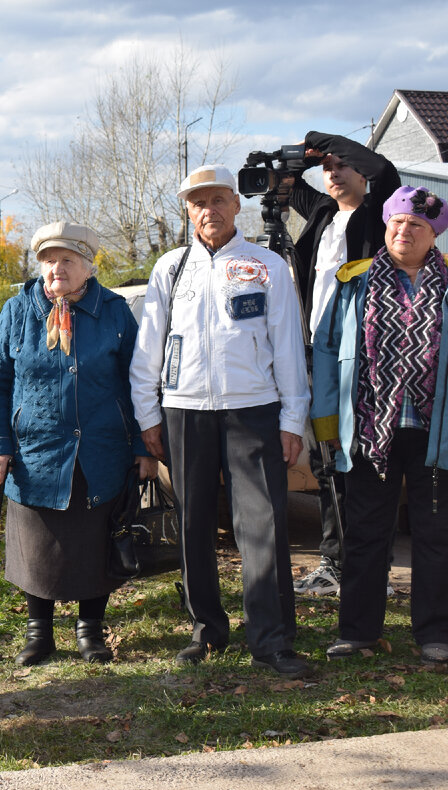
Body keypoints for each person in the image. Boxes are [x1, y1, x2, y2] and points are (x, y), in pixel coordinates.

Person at [129, 165, 312, 677]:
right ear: (188, 211)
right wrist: (149, 413)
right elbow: (149, 348)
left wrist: (292, 419)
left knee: (264, 525)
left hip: (253, 409)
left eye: (218, 200)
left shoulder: (266, 265)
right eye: (198, 202)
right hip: (184, 410)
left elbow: (288, 349)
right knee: (192, 524)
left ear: (236, 204)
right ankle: (207, 629)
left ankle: (272, 638)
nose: (208, 210)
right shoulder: (171, 267)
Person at [0, 222, 154, 665]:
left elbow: (140, 380)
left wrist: (144, 446)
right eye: (49, 260)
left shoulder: (113, 311)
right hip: (34, 451)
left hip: (102, 448)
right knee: (38, 543)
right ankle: (40, 634)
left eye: (68, 260)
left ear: (89, 267)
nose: (57, 269)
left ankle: (90, 630)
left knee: (97, 541)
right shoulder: (18, 311)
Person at [311, 186, 448, 664]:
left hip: (438, 433)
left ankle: (436, 634)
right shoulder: (354, 283)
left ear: (434, 235)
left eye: (418, 226)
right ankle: (358, 631)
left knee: (436, 535)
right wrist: (327, 427)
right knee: (367, 533)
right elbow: (327, 355)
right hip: (371, 430)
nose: (405, 231)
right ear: (386, 226)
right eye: (398, 223)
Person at [289, 131, 401, 597]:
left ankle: (372, 563)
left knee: (369, 457)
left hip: (367, 355)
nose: (332, 174)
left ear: (359, 170)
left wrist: (326, 142)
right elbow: (290, 185)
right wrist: (297, 159)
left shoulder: (381, 214)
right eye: (326, 169)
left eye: (340, 166)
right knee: (328, 457)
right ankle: (336, 561)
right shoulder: (321, 216)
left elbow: (385, 171)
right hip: (319, 354)